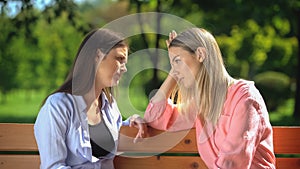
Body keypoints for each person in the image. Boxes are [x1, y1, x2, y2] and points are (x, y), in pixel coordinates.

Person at [144, 28, 276, 168]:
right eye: (171, 65)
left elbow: (231, 164)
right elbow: (154, 118)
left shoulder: (245, 99)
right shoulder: (202, 103)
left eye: (177, 61)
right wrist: (174, 71)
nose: (174, 70)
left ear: (200, 54)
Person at [34, 28, 146, 169]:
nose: (124, 68)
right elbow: (53, 167)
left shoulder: (109, 105)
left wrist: (132, 122)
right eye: (119, 59)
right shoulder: (57, 106)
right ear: (97, 56)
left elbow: (107, 136)